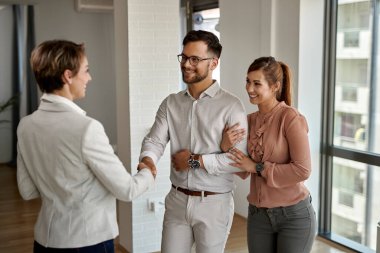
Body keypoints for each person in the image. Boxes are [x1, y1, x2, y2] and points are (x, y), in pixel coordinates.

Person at [17, 40, 156, 253]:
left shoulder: (25, 126)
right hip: (87, 243)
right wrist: (149, 171)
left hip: (45, 242)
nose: (89, 78)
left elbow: (27, 191)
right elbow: (127, 190)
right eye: (86, 70)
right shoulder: (87, 128)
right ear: (67, 76)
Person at [139, 30, 248, 253]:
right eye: (184, 57)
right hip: (177, 200)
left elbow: (237, 160)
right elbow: (155, 140)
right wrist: (147, 160)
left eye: (195, 59)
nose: (187, 64)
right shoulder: (170, 103)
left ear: (213, 63)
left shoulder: (231, 106)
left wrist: (193, 161)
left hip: (214, 204)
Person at [221, 56, 316, 253]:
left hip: (294, 216)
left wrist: (257, 167)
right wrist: (225, 146)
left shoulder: (290, 118)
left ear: (275, 86)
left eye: (257, 83)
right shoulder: (247, 121)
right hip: (258, 216)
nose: (249, 88)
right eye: (247, 81)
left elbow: (303, 170)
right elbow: (240, 167)